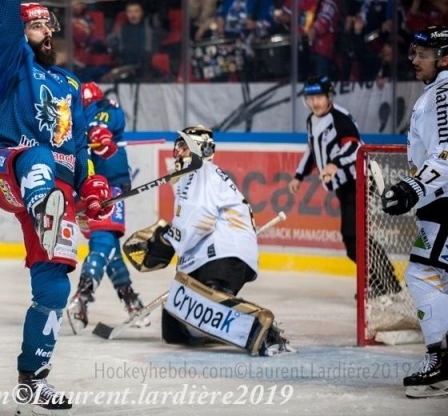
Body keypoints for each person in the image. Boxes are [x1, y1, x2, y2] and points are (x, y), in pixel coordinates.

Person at [0, 0, 114, 416]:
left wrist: (91, 188)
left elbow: (79, 150)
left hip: (55, 188)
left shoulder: (71, 84)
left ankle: (33, 378)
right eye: (34, 25)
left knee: (55, 286)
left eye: (46, 25)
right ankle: (44, 205)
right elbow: (4, 23)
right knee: (36, 158)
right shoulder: (12, 62)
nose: (44, 31)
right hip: (6, 165)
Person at [123, 127, 293, 356]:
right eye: (178, 146)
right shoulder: (200, 174)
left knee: (204, 304)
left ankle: (261, 331)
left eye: (184, 146)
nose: (177, 151)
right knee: (175, 325)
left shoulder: (199, 172)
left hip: (221, 255)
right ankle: (211, 326)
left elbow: (200, 218)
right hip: (220, 254)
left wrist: (166, 240)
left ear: (199, 149)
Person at [380, 26, 448, 399]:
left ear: (445, 58)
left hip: (444, 204)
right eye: (414, 53)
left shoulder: (443, 93)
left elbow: (447, 154)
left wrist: (413, 188)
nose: (415, 60)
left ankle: (441, 362)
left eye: (423, 54)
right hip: (439, 202)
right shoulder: (436, 91)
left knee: (422, 274)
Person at [288, 76, 401, 299]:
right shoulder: (312, 120)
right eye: (310, 98)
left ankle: (381, 283)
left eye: (319, 97)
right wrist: (299, 176)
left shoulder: (340, 118)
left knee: (353, 237)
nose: (315, 102)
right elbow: (312, 150)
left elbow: (354, 146)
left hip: (358, 181)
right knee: (356, 238)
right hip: (343, 185)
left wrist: (335, 164)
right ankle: (384, 283)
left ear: (329, 96)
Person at [67, 82, 146, 332]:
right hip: (97, 188)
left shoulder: (98, 109)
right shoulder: (80, 115)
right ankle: (85, 296)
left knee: (107, 245)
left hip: (93, 188)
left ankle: (127, 300)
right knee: (105, 244)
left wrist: (100, 135)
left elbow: (102, 126)